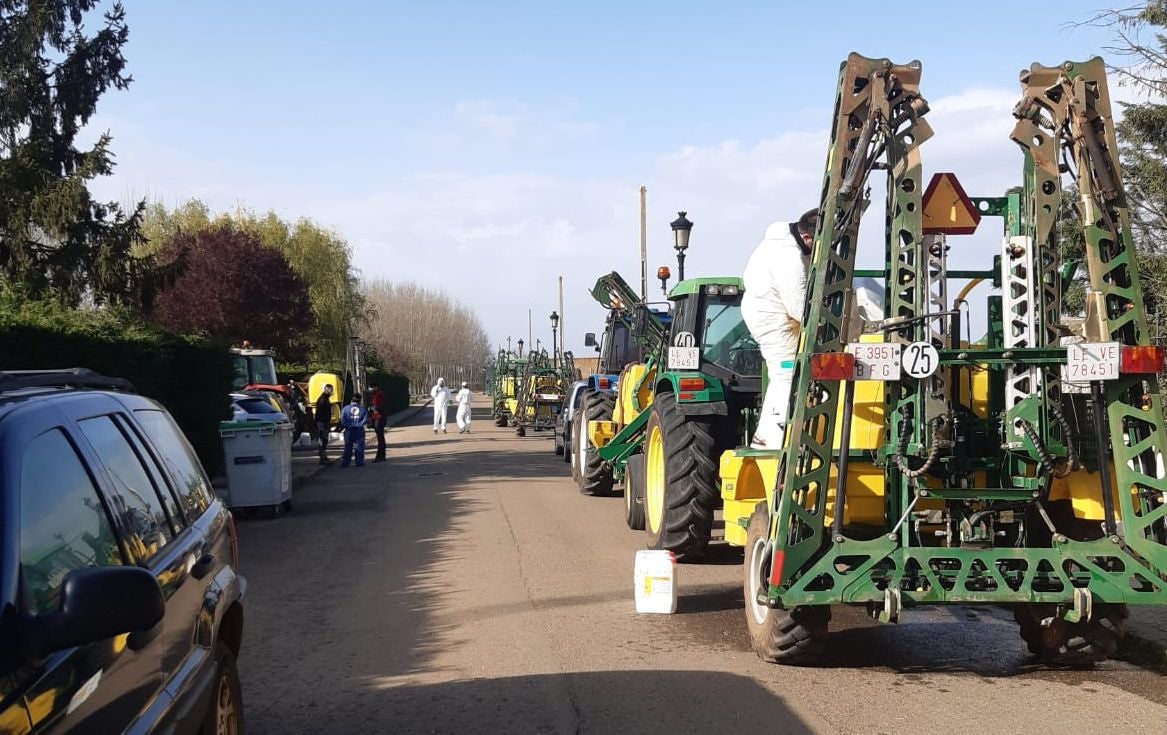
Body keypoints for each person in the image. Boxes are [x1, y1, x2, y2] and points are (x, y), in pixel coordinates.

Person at [741, 208, 817, 449]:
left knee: (783, 373)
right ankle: (773, 440)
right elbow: (798, 307)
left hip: (768, 316)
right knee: (786, 372)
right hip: (774, 321)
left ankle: (766, 435)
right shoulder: (789, 258)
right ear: (806, 237)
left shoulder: (779, 244)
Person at [340, 395, 368, 467]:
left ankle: (346, 462)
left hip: (348, 430)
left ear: (351, 400)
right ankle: (359, 462)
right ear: (359, 401)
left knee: (348, 446)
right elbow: (365, 420)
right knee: (359, 446)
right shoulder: (363, 409)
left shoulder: (345, 408)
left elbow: (343, 420)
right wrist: (358, 425)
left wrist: (348, 425)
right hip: (359, 430)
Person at [314, 384, 334, 465]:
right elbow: (320, 412)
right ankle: (322, 458)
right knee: (322, 440)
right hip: (322, 422)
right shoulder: (323, 399)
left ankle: (324, 457)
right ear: (325, 389)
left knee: (324, 440)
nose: (331, 392)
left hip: (324, 422)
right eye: (329, 390)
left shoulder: (325, 398)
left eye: (331, 390)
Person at [370, 385, 387, 462]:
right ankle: (381, 456)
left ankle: (380, 456)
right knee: (380, 438)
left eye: (371, 387)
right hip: (378, 418)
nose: (370, 389)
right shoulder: (376, 395)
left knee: (380, 438)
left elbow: (378, 407)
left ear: (375, 387)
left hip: (379, 418)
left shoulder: (378, 395)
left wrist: (372, 408)